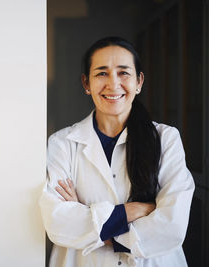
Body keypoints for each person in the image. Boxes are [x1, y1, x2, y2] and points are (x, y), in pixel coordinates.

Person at [39, 36, 195, 267]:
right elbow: (58, 223)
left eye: (124, 73)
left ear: (139, 82)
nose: (113, 84)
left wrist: (89, 220)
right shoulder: (62, 143)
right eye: (102, 73)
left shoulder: (166, 139)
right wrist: (134, 211)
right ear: (86, 84)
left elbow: (172, 226)